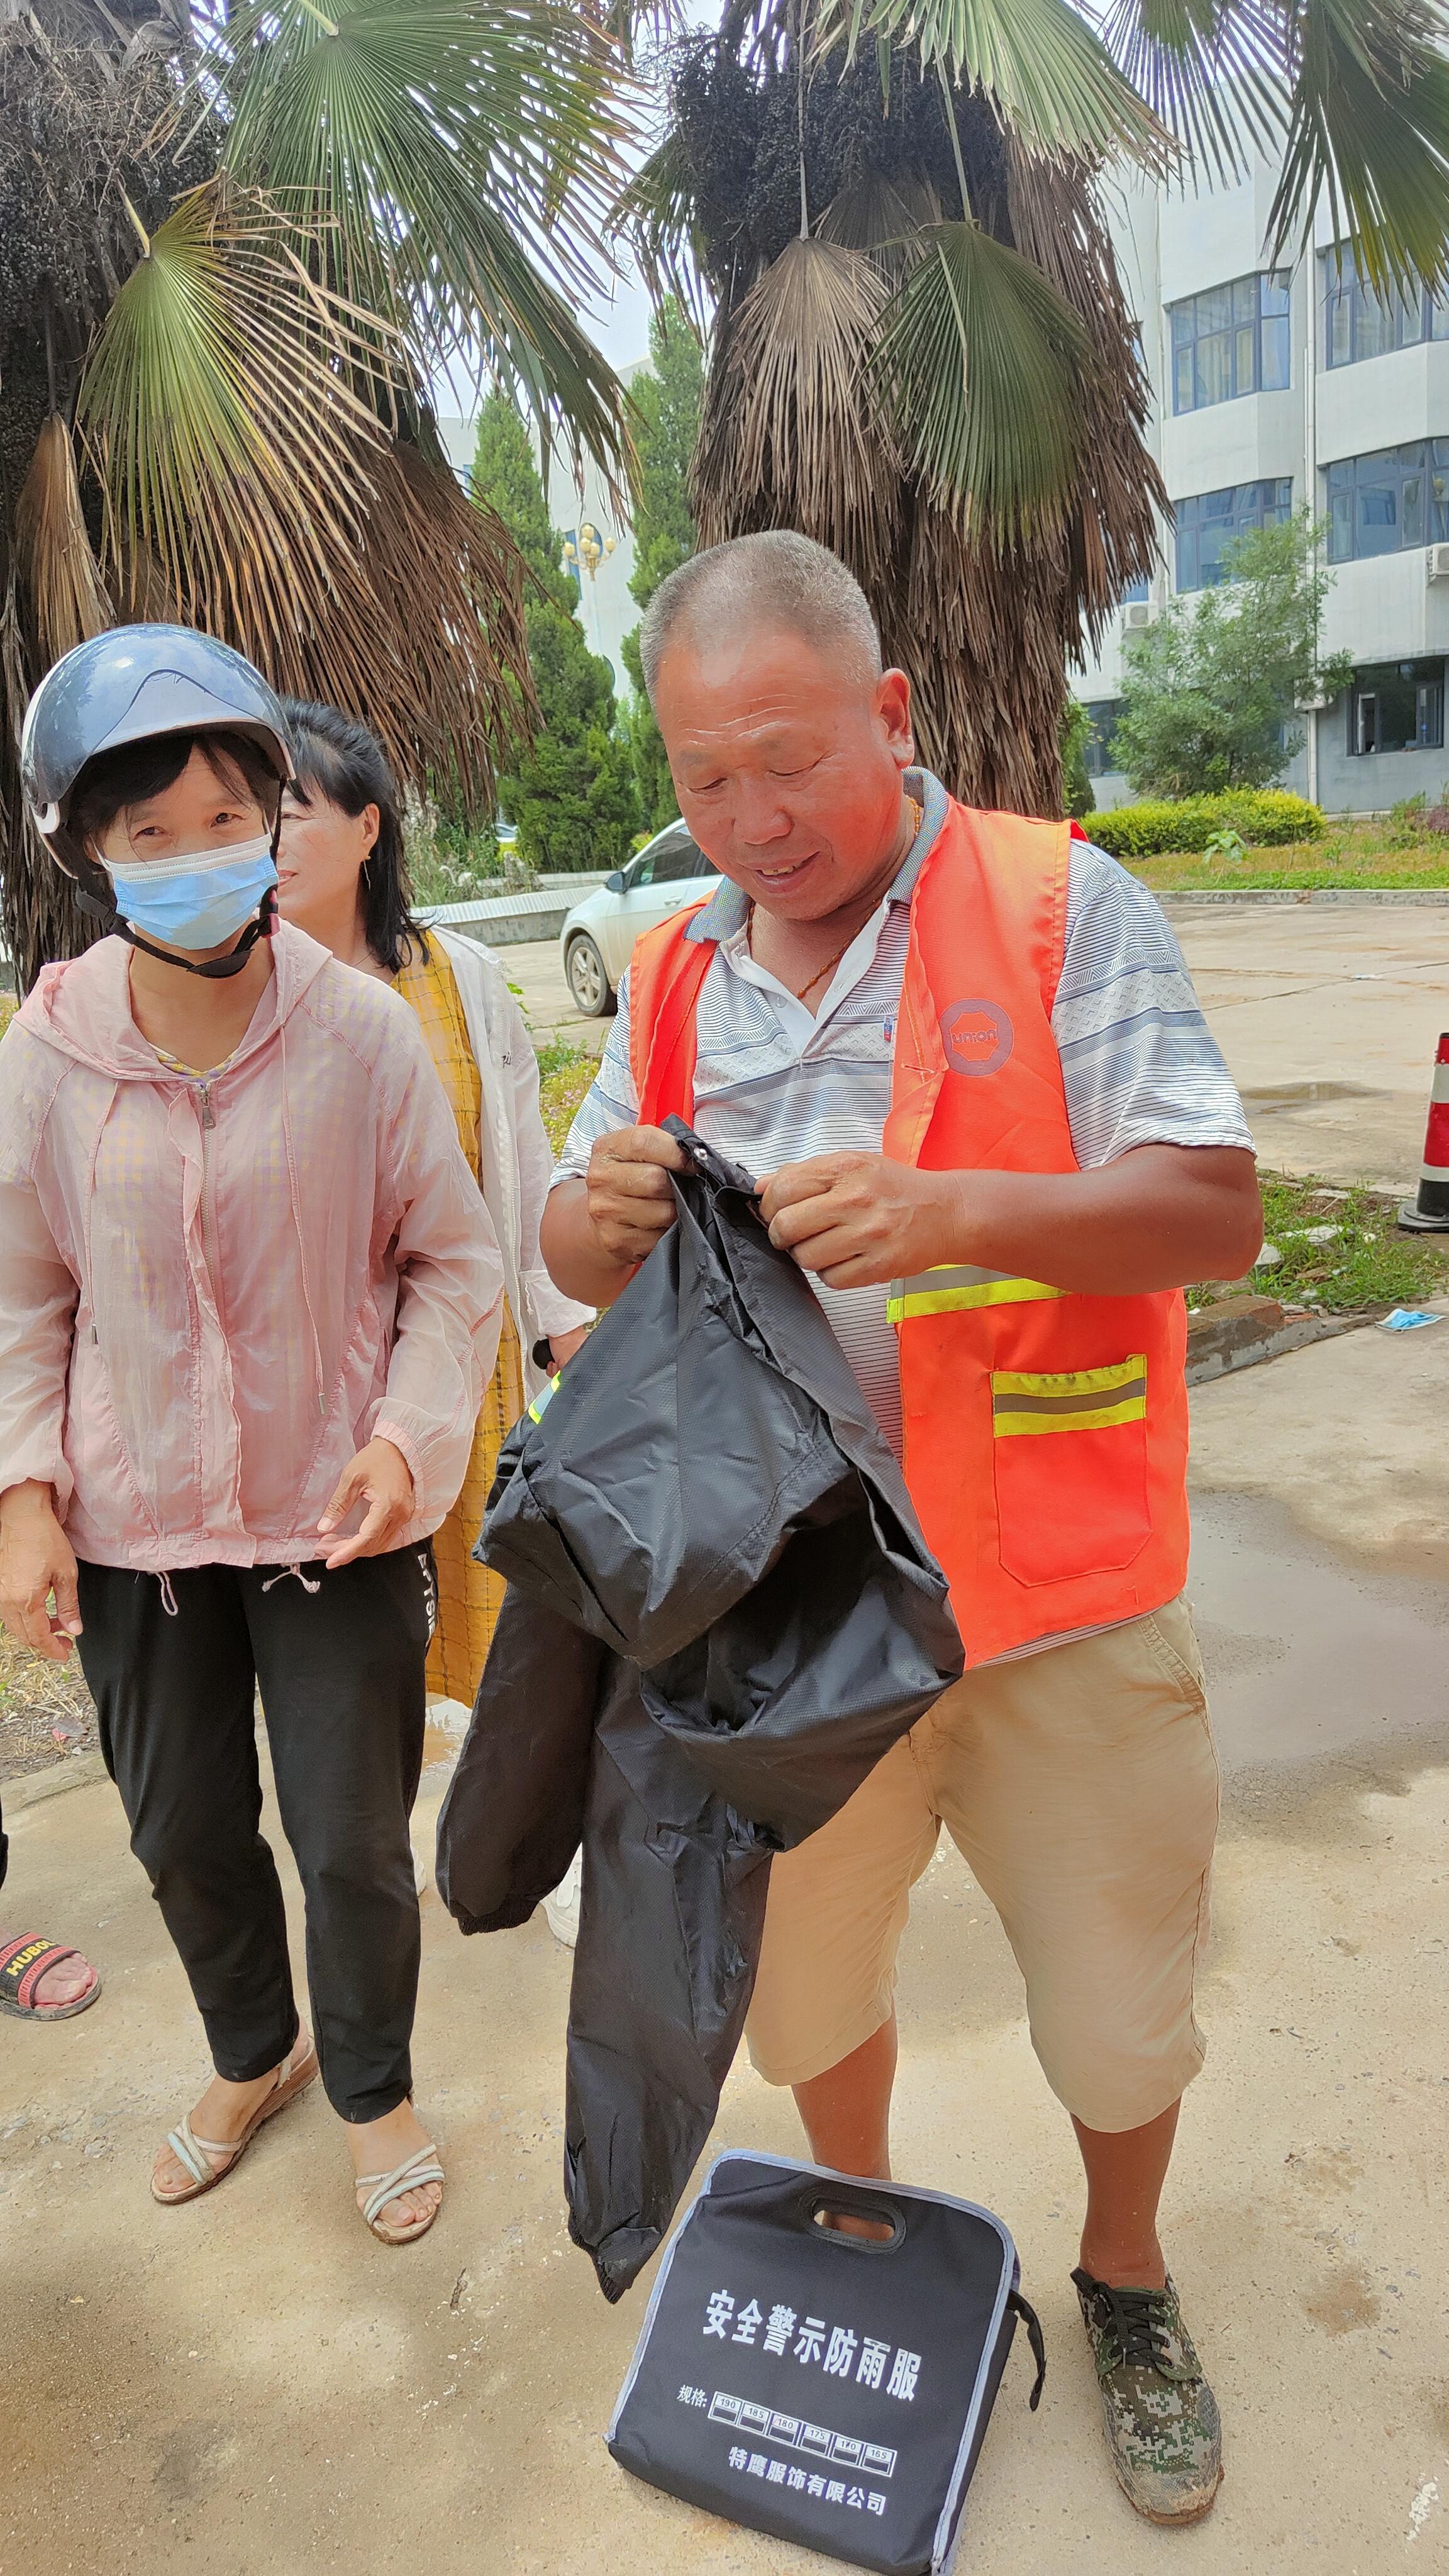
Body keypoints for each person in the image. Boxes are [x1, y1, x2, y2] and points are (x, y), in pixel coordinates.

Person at [540, 533, 1262, 2525]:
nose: (751, 821)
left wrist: (960, 1213)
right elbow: (577, 1247)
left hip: (1057, 1610)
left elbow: (1216, 1207)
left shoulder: (1053, 909)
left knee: (1117, 2006)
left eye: (789, 762)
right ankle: (852, 2239)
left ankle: (1124, 2271)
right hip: (784, 1615)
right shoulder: (679, 963)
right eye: (704, 781)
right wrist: (580, 1228)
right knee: (803, 1993)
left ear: (891, 714)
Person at [0, 627, 502, 2245]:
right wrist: (24, 1494)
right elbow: (21, 1293)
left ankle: (374, 2085)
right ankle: (253, 2052)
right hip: (136, 1534)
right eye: (151, 835)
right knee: (183, 1828)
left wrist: (411, 1439)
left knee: (351, 1834)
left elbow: (455, 1257)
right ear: (85, 852)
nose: (200, 858)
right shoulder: (49, 1053)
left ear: (281, 814)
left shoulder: (359, 1033)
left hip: (330, 1518)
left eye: (229, 819)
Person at [272, 699, 592, 1714]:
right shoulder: (239, 995)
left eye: (293, 811)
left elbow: (523, 1163)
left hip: (465, 1355)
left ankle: (489, 1847)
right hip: (312, 1378)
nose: (267, 842)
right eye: (251, 817)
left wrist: (565, 1328)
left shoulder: (458, 981)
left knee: (496, 1624)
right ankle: (371, 1832)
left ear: (369, 829)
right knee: (345, 1647)